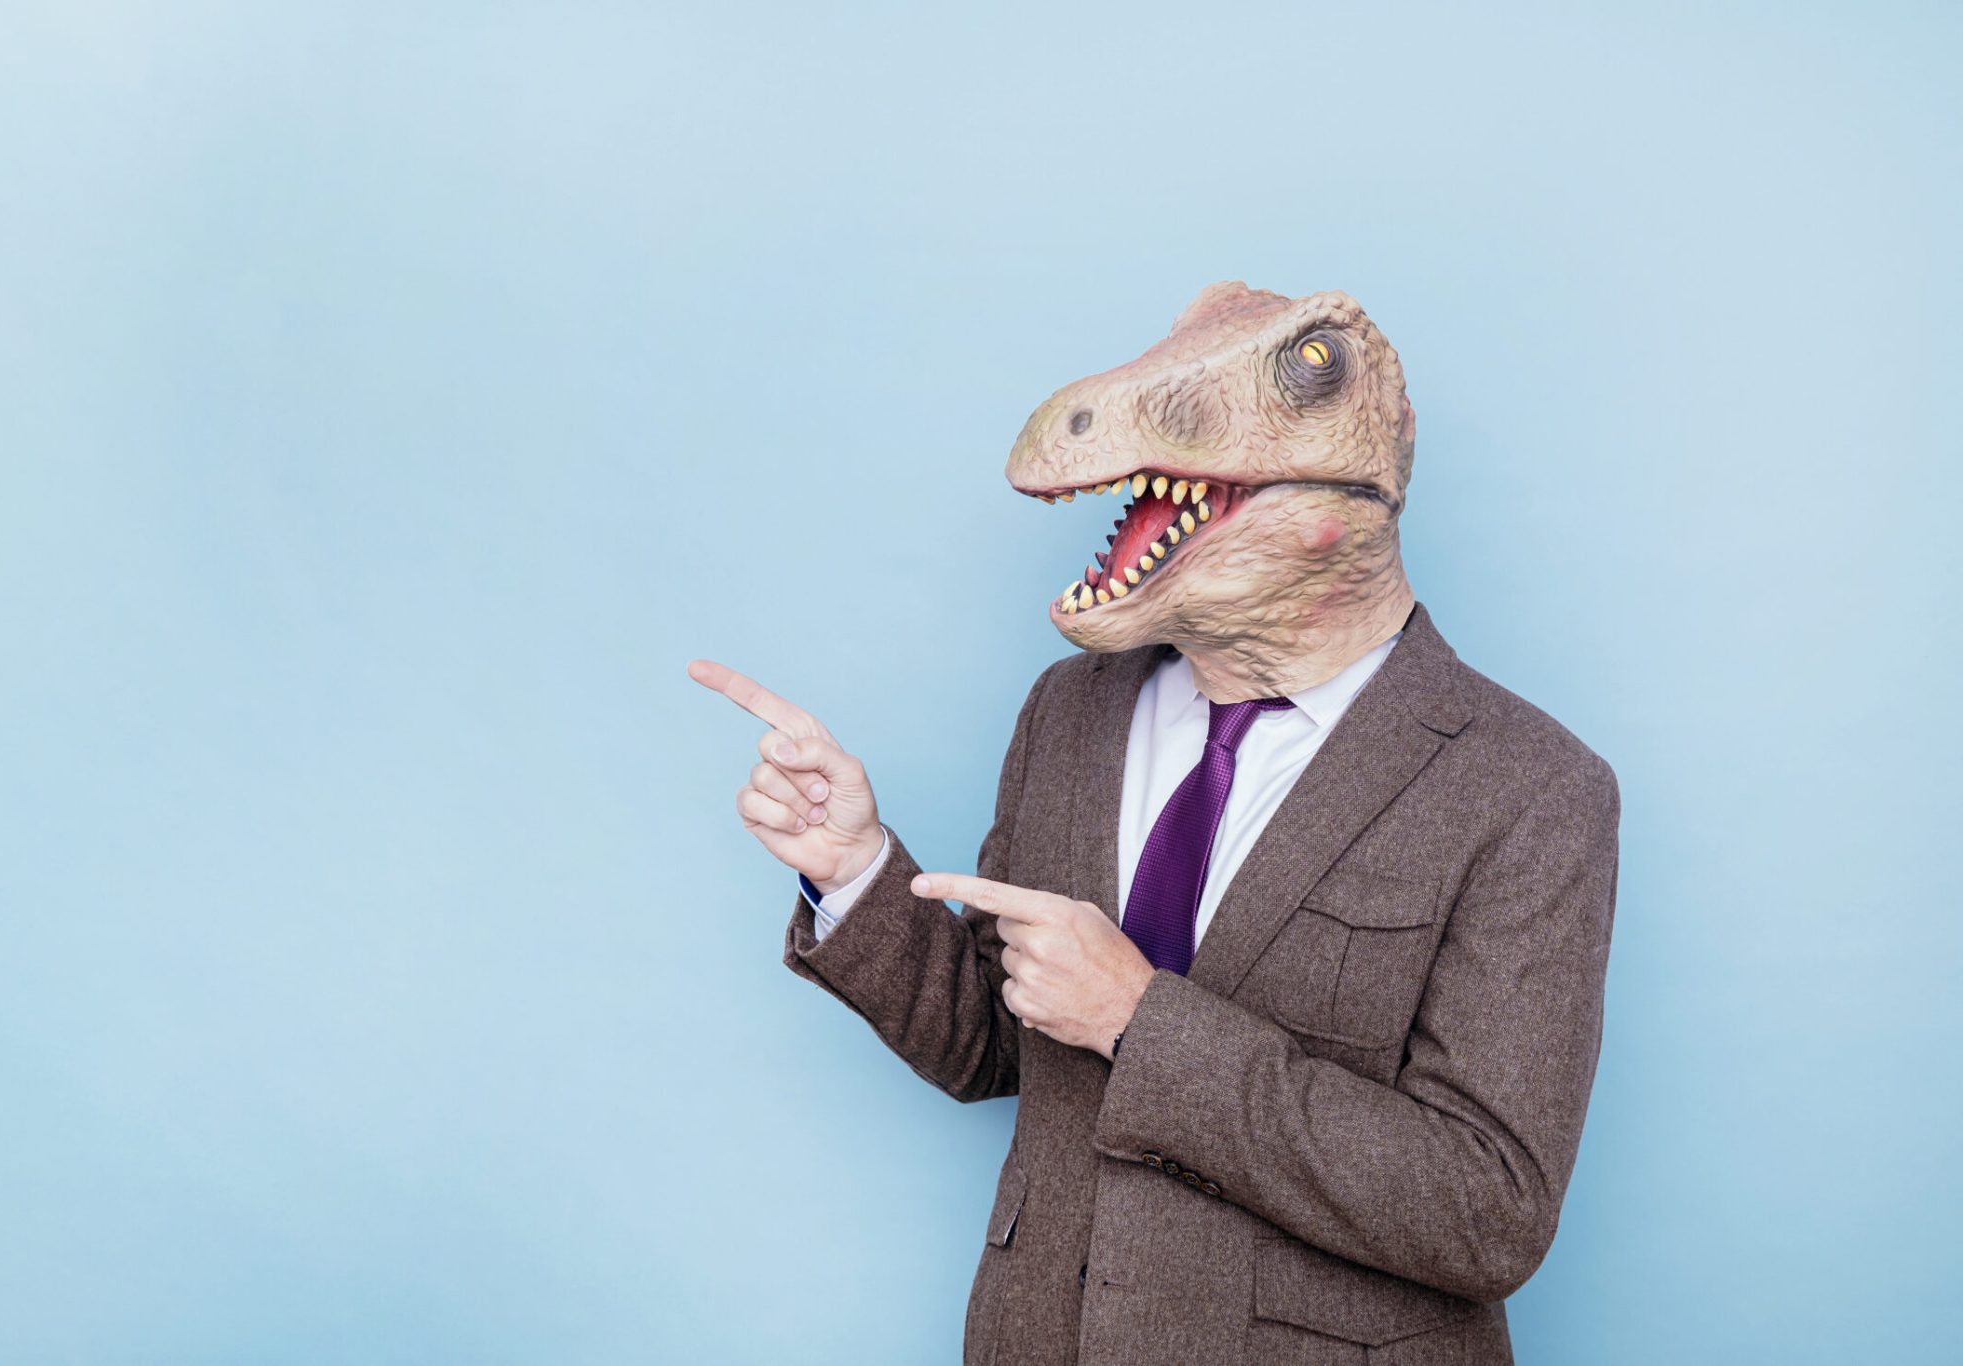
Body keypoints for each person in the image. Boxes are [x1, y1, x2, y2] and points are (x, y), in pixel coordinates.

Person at [690, 283, 1620, 1365]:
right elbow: (1000, 1046)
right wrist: (851, 868)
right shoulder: (1068, 710)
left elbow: (1486, 1207)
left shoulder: (1530, 787)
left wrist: (1140, 1021)